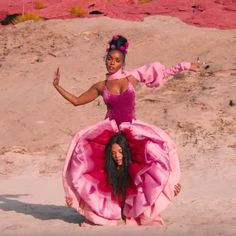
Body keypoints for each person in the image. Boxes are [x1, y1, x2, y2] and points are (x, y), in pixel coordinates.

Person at [53, 35, 198, 225]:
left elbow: (162, 73)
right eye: (109, 59)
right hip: (111, 134)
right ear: (105, 59)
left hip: (132, 131)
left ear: (123, 62)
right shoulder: (100, 86)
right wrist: (58, 86)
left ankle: (144, 205)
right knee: (107, 173)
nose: (112, 63)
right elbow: (77, 101)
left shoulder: (132, 78)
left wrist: (184, 66)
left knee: (147, 165)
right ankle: (108, 211)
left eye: (116, 60)